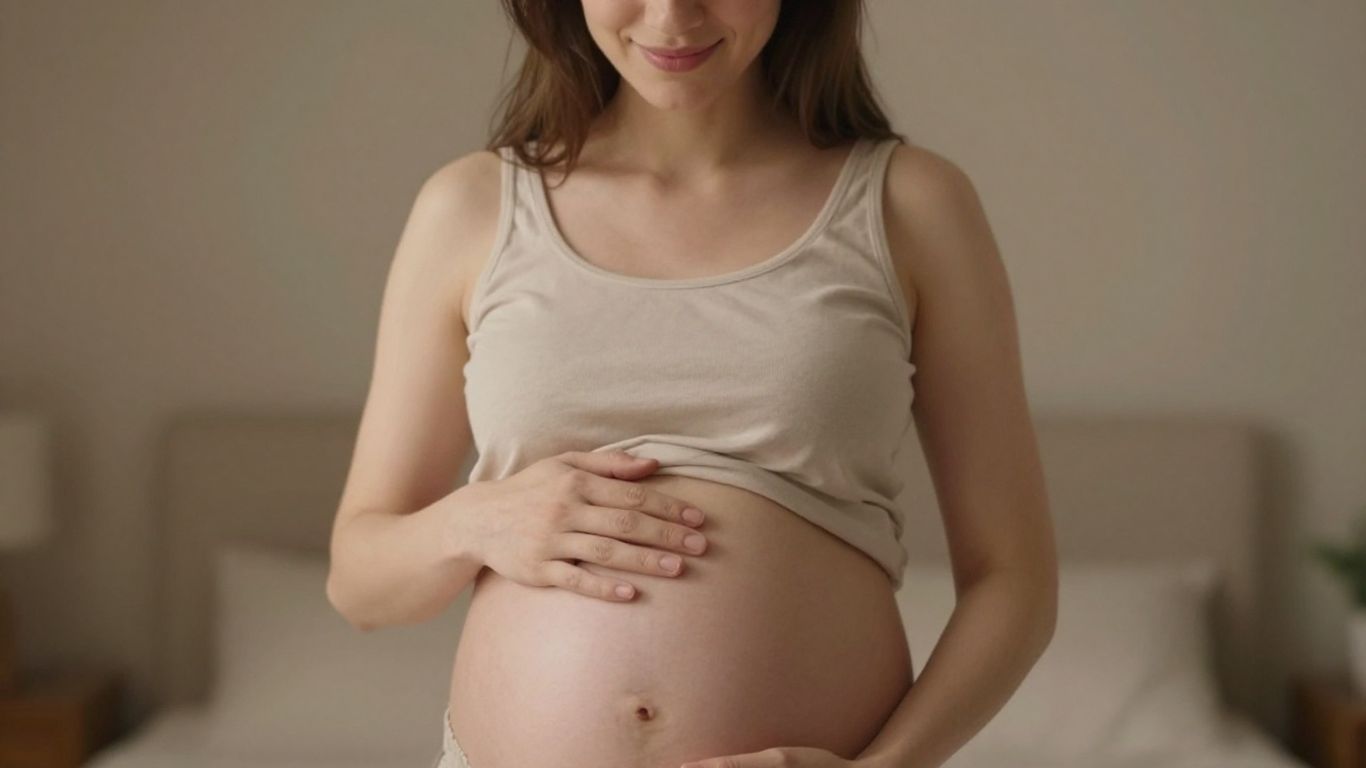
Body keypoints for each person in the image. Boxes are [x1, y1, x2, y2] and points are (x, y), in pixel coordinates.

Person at [326, 2, 1058, 767]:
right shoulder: (469, 207)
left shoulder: (911, 203)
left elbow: (1014, 581)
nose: (672, 15)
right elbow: (359, 581)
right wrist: (476, 522)